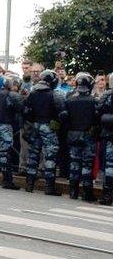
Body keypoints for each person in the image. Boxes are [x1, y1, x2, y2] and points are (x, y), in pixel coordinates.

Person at [24, 69, 65, 195]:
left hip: (35, 126)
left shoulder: (32, 93)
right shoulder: (54, 94)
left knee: (33, 155)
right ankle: (49, 187)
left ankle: (29, 185)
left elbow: (25, 110)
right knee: (50, 155)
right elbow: (63, 113)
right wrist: (57, 121)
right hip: (48, 127)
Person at [64, 73, 99, 201]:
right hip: (88, 135)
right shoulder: (94, 100)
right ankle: (87, 193)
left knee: (74, 163)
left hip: (73, 134)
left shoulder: (69, 100)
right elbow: (97, 118)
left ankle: (73, 192)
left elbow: (64, 118)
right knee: (87, 165)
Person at [98, 73, 113, 205]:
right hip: (109, 134)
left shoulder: (107, 95)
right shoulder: (108, 95)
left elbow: (99, 109)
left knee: (109, 165)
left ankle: (107, 195)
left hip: (109, 134)